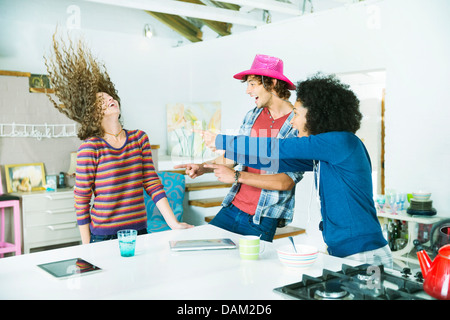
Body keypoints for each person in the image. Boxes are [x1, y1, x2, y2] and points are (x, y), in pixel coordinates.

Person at [201, 73, 393, 267]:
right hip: (341, 250)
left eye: (297, 114)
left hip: (363, 252)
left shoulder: (341, 142)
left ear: (316, 114)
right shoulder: (325, 152)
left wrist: (221, 140)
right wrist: (226, 159)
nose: (292, 121)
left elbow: (276, 148)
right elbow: (274, 161)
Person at [44, 32, 192, 244]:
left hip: (139, 232)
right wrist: (87, 248)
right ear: (93, 114)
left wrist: (173, 223)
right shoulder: (90, 149)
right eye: (101, 101)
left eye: (110, 96)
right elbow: (81, 200)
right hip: (102, 237)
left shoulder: (139, 139)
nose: (110, 99)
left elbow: (152, 183)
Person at [174, 54, 304, 242]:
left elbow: (286, 181)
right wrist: (204, 167)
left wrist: (236, 176)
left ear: (273, 83)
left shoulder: (297, 123)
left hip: (262, 218)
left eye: (252, 84)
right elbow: (236, 155)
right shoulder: (252, 115)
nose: (248, 91)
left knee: (249, 270)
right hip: (232, 207)